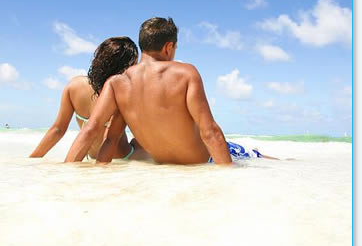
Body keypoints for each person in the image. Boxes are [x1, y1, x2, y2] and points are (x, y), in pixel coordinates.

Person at [65, 18, 276, 165]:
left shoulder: (117, 82)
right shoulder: (186, 73)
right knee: (262, 159)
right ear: (169, 47)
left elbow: (97, 133)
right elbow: (210, 131)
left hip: (162, 162)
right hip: (205, 160)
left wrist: (72, 172)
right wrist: (224, 181)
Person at [30, 36, 149, 161]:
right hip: (122, 157)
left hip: (91, 157)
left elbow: (58, 129)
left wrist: (33, 159)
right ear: (124, 67)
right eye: (134, 65)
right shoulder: (124, 93)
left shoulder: (74, 86)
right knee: (140, 143)